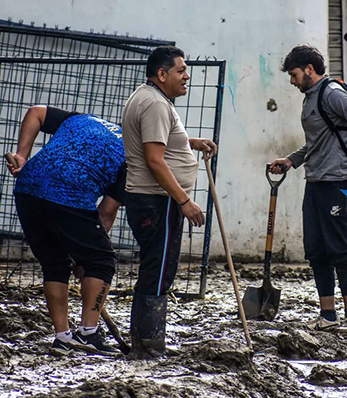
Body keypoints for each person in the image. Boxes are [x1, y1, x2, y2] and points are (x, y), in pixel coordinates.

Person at [270, 45, 347, 332]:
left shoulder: (332, 93)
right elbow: (317, 141)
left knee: (339, 249)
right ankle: (327, 315)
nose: (291, 81)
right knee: (316, 251)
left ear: (308, 69)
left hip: (337, 183)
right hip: (315, 182)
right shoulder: (310, 97)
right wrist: (291, 160)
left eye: (293, 75)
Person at [6, 105, 127, 356]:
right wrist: (86, 259)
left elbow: (36, 112)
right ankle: (88, 334)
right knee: (102, 261)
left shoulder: (84, 120)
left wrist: (22, 155)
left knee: (55, 264)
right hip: (68, 194)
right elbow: (105, 213)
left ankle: (63, 338)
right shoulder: (132, 157)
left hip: (28, 189)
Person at [122, 45, 217, 358]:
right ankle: (148, 345)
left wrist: (191, 142)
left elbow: (155, 141)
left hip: (152, 201)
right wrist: (185, 201)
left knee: (157, 267)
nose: (187, 76)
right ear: (161, 75)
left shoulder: (149, 97)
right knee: (159, 269)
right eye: (180, 70)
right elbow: (154, 160)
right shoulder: (154, 104)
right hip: (156, 202)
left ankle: (147, 341)